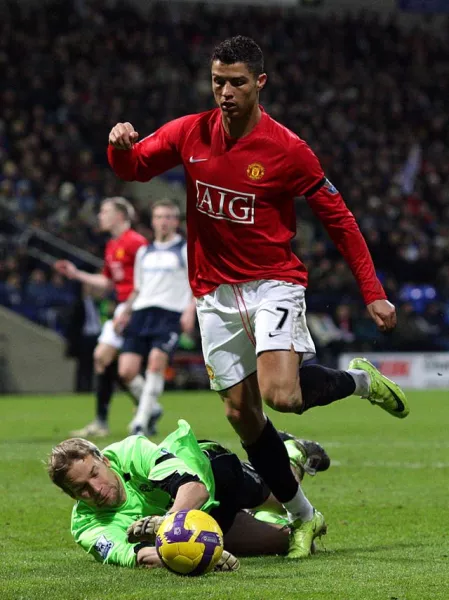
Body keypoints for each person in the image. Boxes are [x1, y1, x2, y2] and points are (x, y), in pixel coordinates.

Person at [107, 35, 409, 557]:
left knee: (282, 396)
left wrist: (373, 292)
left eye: (237, 83)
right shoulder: (190, 132)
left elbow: (339, 218)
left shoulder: (287, 149)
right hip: (213, 293)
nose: (225, 92)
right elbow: (133, 168)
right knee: (243, 416)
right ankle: (305, 518)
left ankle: (361, 380)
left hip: (273, 281)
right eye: (218, 81)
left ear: (259, 84)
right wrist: (118, 144)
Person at [47, 420, 330, 569]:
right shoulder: (86, 526)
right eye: (81, 489)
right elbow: (137, 555)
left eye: (95, 475)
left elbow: (194, 487)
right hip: (204, 521)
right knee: (289, 542)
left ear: (104, 462)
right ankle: (269, 517)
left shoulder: (130, 452)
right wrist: (197, 556)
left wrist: (167, 524)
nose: (95, 490)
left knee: (284, 499)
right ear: (72, 497)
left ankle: (291, 454)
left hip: (212, 472)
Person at [54, 197, 147, 437]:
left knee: (115, 364)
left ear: (119, 216)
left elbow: (147, 279)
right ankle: (111, 419)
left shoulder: (136, 242)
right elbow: (106, 281)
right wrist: (77, 274)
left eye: (105, 211)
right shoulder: (112, 244)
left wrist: (129, 309)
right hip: (121, 306)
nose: (100, 216)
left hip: (135, 306)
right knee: (103, 360)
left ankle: (142, 409)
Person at [115, 199, 196, 435]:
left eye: (169, 217)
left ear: (176, 221)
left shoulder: (184, 249)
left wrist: (190, 310)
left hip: (169, 313)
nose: (164, 222)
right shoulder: (144, 252)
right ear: (153, 221)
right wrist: (126, 312)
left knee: (155, 363)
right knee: (126, 372)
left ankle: (139, 423)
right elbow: (138, 288)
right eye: (159, 217)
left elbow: (195, 283)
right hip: (141, 312)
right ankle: (152, 408)